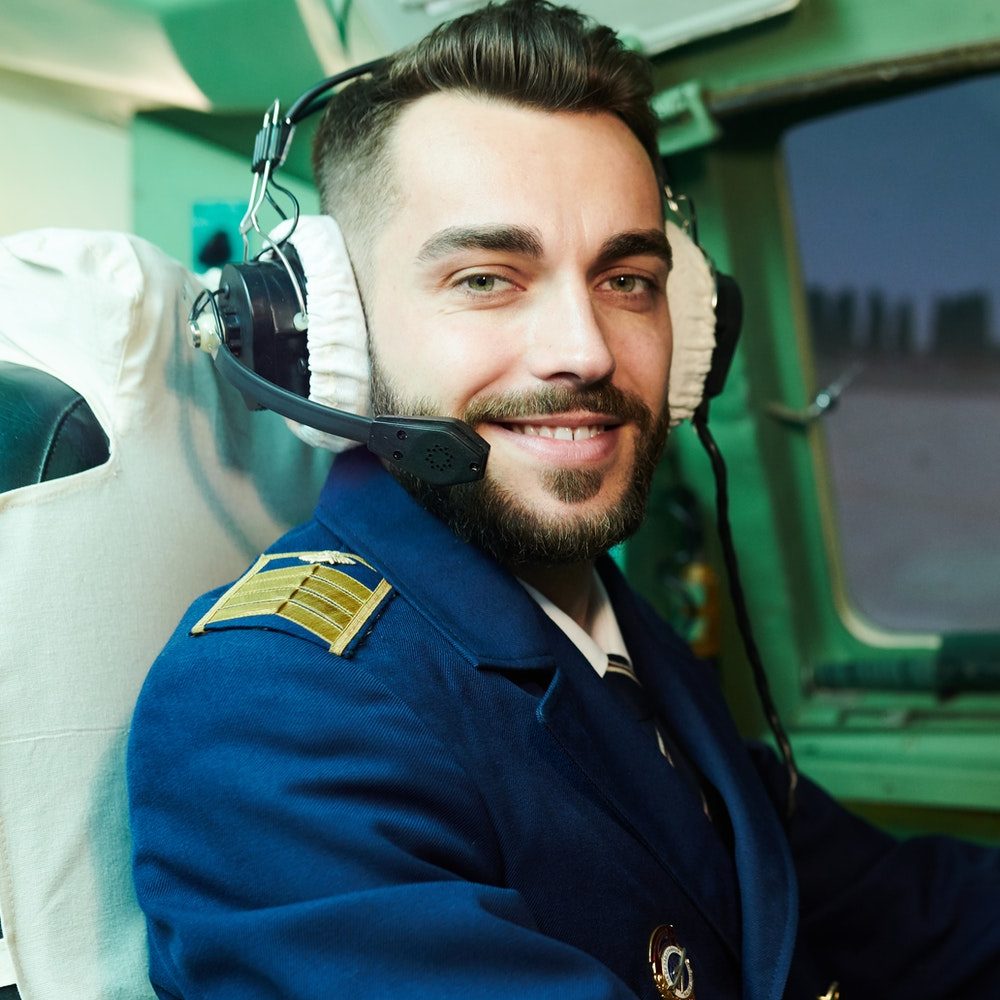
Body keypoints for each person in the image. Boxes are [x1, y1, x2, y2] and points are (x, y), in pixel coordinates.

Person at [126, 2, 1000, 998]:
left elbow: (896, 908)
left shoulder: (614, 639)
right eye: (489, 277)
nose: (584, 350)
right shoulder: (268, 719)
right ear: (334, 340)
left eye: (627, 280)